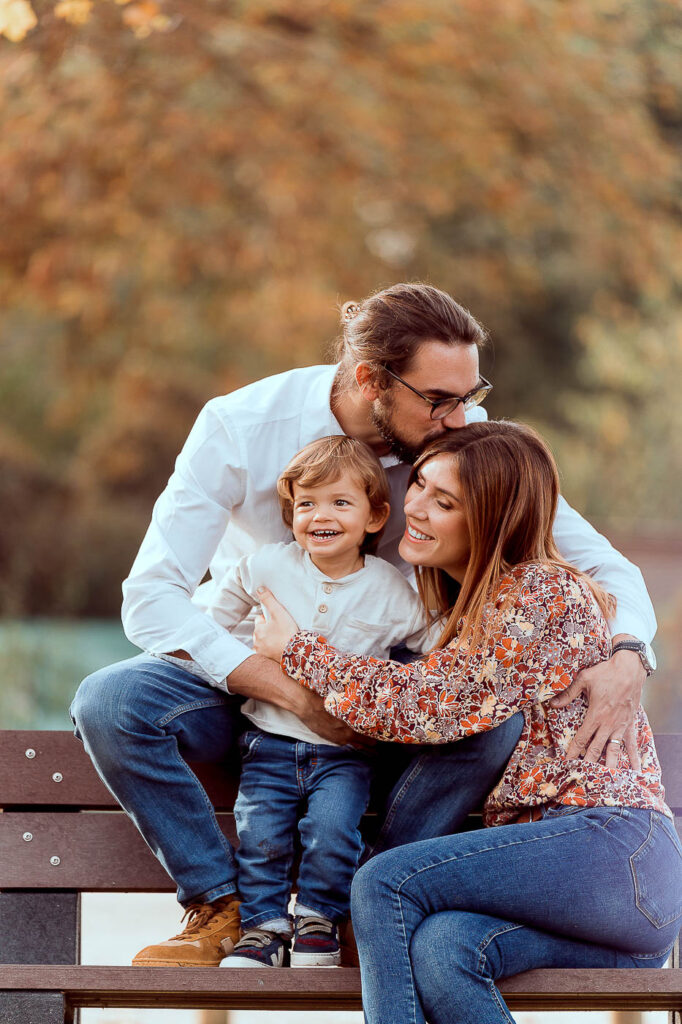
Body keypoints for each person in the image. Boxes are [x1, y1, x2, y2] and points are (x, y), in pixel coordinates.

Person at [69, 283, 657, 968]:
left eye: (470, 393)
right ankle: (218, 905)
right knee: (110, 701)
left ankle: (359, 904)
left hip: (399, 694)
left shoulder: (459, 442)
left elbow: (606, 569)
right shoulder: (240, 427)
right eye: (438, 398)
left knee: (491, 716)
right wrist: (286, 689)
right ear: (368, 379)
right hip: (255, 680)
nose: (460, 415)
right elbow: (151, 598)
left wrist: (628, 655)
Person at [253, 420, 680, 1024]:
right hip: (599, 893)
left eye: (444, 501)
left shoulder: (542, 592)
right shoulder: (469, 610)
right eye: (420, 484)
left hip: (614, 852)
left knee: (383, 883)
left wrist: (297, 649)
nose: (416, 507)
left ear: (492, 521)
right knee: (444, 946)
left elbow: (431, 705)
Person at [211, 436, 433, 968]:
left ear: (376, 515)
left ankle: (318, 921)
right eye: (306, 504)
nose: (319, 516)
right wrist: (240, 647)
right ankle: (262, 929)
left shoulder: (391, 590)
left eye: (339, 502)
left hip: (345, 753)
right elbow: (211, 625)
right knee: (260, 834)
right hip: (268, 739)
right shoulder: (266, 566)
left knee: (333, 833)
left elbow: (436, 646)